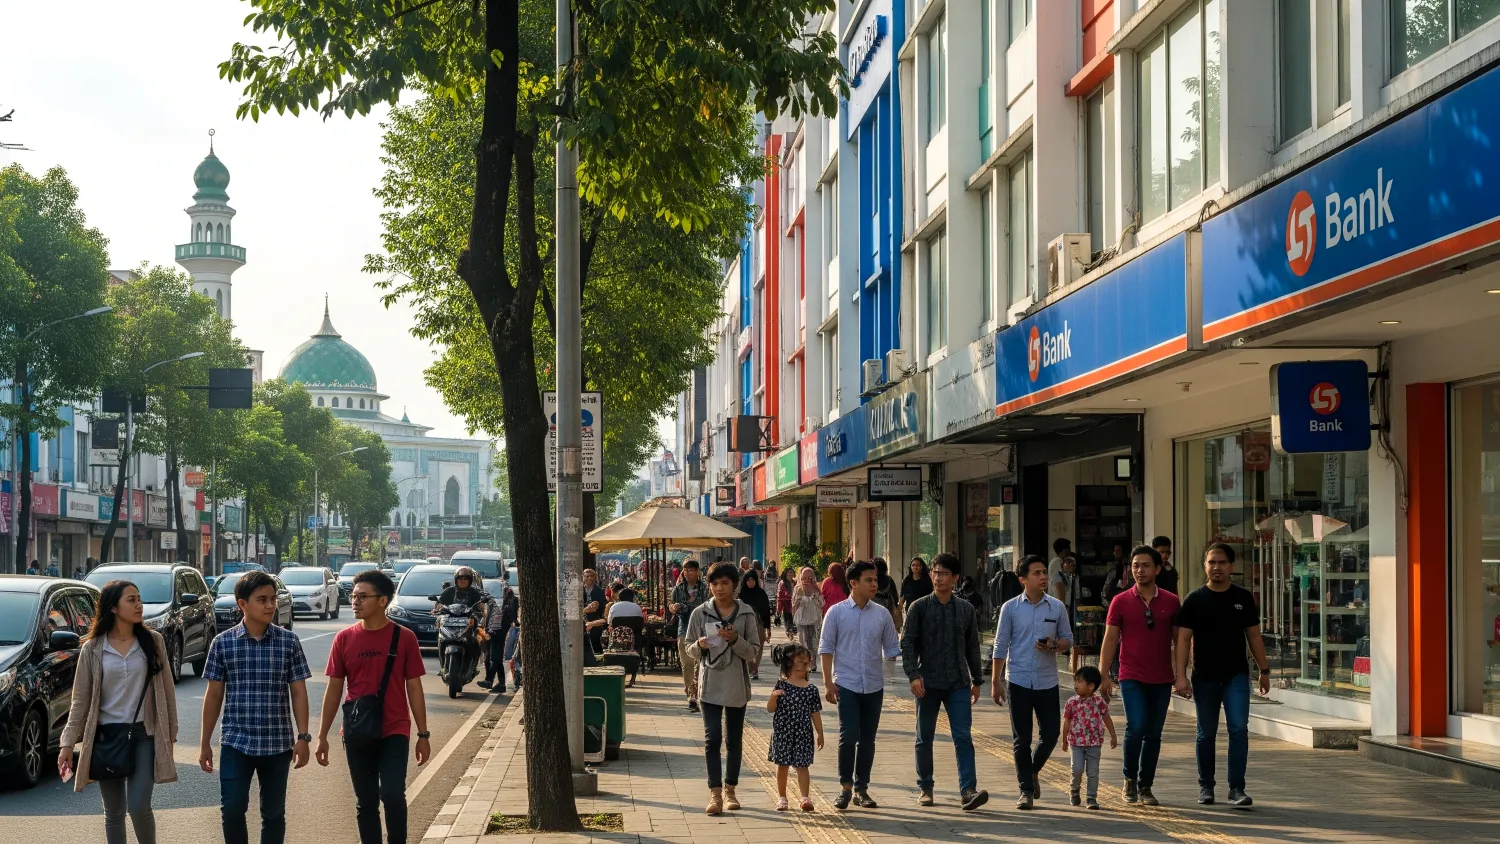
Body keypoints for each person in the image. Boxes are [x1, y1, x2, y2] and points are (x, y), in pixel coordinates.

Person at [59, 580, 178, 844]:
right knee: (113, 812)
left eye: (139, 598)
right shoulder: (93, 649)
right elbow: (80, 700)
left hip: (143, 735)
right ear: (113, 607)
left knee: (138, 806)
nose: (139, 605)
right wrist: (67, 743)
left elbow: (167, 693)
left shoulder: (153, 642)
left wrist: (169, 735)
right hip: (107, 737)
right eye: (131, 600)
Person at [317, 569, 431, 844]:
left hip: (394, 729)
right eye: (353, 596)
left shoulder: (404, 638)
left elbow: (414, 687)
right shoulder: (343, 639)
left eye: (362, 597)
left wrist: (423, 735)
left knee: (392, 793)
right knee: (365, 801)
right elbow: (334, 690)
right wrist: (321, 736)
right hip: (357, 732)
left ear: (383, 601)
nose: (354, 602)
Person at [199, 570, 313, 844]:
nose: (270, 605)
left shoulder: (288, 642)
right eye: (262, 599)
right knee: (233, 809)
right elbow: (214, 695)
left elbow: (298, 692)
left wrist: (304, 737)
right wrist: (205, 742)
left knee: (273, 814)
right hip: (236, 742)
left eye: (272, 599)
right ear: (242, 604)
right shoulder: (223, 643)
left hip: (277, 744)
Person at [1174, 542, 1271, 808]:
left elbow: (1253, 635)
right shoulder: (1194, 599)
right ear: (1205, 566)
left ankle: (1237, 788)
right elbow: (1183, 639)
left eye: (1222, 563)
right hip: (1204, 677)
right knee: (1206, 733)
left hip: (1236, 676)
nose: (1216, 567)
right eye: (1211, 562)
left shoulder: (1243, 598)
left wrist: (1264, 670)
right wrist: (1180, 676)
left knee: (1238, 729)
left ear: (1232, 567)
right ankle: (1206, 786)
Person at [900, 553, 987, 811]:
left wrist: (977, 680)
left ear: (955, 578)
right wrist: (913, 675)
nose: (939, 578)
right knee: (923, 737)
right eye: (936, 573)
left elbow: (972, 646)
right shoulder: (919, 608)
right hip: (927, 683)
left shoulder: (966, 609)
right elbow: (907, 643)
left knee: (963, 736)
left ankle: (968, 790)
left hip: (958, 682)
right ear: (931, 576)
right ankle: (926, 787)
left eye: (945, 573)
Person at [1098, 545, 1181, 807]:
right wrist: (1102, 674)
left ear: (1157, 568)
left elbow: (1180, 640)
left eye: (1145, 565)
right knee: (1136, 726)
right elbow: (1110, 638)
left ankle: (1146, 785)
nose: (1139, 570)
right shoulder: (1120, 601)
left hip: (1161, 677)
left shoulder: (1171, 600)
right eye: (1135, 565)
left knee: (1154, 733)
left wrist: (1181, 675)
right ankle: (1129, 780)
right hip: (1130, 675)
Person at [990, 554, 1072, 810]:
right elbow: (1000, 644)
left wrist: (1056, 645)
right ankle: (1025, 789)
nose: (1044, 577)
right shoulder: (1011, 608)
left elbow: (1068, 639)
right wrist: (995, 680)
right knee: (1021, 739)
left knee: (1051, 734)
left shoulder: (1056, 607)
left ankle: (1032, 771)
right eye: (1037, 573)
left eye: (1045, 572)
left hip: (1047, 680)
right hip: (1019, 680)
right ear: (1023, 578)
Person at [819, 560, 901, 811]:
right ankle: (845, 787)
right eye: (869, 580)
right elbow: (826, 649)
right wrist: (828, 683)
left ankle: (861, 788)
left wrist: (890, 678)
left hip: (874, 686)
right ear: (853, 583)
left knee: (868, 740)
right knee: (848, 736)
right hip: (847, 684)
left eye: (875, 580)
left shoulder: (882, 614)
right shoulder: (836, 612)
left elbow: (891, 650)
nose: (874, 584)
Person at [686, 562, 762, 815]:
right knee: (712, 740)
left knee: (733, 740)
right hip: (710, 684)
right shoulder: (700, 613)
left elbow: (754, 651)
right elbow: (688, 648)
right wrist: (700, 644)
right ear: (709, 586)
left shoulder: (746, 613)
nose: (719, 588)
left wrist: (735, 639)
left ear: (734, 585)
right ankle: (715, 793)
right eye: (715, 584)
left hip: (737, 685)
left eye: (725, 583)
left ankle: (730, 790)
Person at [766, 643, 824, 812]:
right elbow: (770, 709)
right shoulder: (781, 685)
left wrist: (820, 733)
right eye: (800, 661)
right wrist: (773, 697)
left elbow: (815, 713)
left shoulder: (811, 690)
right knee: (782, 765)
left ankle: (805, 797)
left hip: (803, 734)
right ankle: (782, 798)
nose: (804, 665)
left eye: (806, 663)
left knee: (802, 766)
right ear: (789, 664)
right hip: (783, 732)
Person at [1061, 665, 1116, 810]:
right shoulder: (1071, 702)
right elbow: (1066, 721)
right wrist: (1064, 740)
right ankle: (1074, 790)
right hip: (1076, 743)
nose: (1075, 685)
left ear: (1091, 686)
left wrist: (1113, 735)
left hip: (1094, 743)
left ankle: (1091, 798)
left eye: (1079, 682)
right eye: (1075, 681)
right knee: (1077, 769)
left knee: (1093, 772)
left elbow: (1106, 717)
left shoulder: (1099, 702)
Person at [434, 566, 490, 679]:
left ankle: (473, 665)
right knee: (440, 637)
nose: (463, 581)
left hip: (468, 622)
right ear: (456, 580)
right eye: (460, 578)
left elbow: (482, 608)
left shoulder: (474, 593)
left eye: (465, 579)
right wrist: (436, 610)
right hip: (449, 621)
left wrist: (478, 616)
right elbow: (439, 605)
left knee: (475, 640)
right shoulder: (449, 591)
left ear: (469, 580)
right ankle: (443, 666)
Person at [670, 559, 709, 712]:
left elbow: (707, 607)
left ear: (698, 571)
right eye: (686, 570)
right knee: (686, 664)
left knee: (699, 664)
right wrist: (673, 607)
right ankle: (690, 695)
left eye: (691, 570)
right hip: (683, 629)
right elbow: (671, 604)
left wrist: (685, 606)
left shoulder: (705, 588)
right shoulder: (678, 589)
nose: (688, 573)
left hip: (702, 630)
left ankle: (697, 693)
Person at [479, 576, 519, 693]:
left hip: (498, 629)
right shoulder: (496, 598)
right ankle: (501, 684)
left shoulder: (501, 599)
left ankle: (489, 680)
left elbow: (507, 616)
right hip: (494, 629)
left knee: (495, 656)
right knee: (493, 656)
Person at [738, 569, 772, 680]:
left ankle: (755, 668)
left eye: (753, 580)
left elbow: (766, 611)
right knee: (746, 646)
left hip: (759, 623)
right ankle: (749, 667)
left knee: (759, 646)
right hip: (744, 624)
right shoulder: (741, 595)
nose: (751, 582)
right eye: (748, 580)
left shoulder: (761, 594)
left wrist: (768, 628)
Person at [791, 567, 825, 661]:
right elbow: (794, 604)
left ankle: (812, 661)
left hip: (813, 619)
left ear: (813, 578)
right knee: (803, 640)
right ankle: (805, 661)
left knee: (813, 641)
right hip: (802, 619)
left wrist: (815, 596)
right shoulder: (798, 588)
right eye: (804, 578)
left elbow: (822, 603)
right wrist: (799, 600)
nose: (806, 580)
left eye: (809, 578)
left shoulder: (816, 588)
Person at [582, 568, 608, 654]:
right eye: (586, 576)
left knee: (595, 641)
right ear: (583, 577)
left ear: (595, 577)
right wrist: (585, 609)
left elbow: (602, 606)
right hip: (581, 620)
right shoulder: (578, 590)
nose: (589, 578)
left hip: (595, 620)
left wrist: (596, 606)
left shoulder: (600, 591)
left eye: (591, 576)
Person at [777, 567, 797, 637]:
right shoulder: (782, 583)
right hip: (785, 605)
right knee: (787, 620)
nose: (790, 574)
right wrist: (779, 608)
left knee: (793, 621)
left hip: (794, 605)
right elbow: (780, 595)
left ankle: (791, 632)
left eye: (791, 572)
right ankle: (789, 632)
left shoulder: (795, 583)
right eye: (788, 572)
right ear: (785, 574)